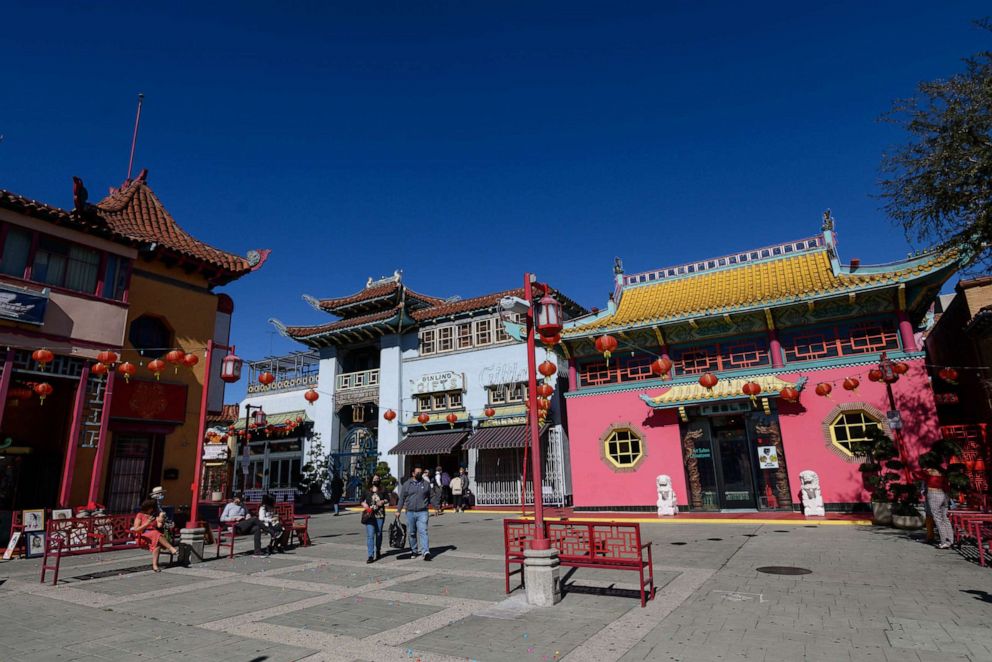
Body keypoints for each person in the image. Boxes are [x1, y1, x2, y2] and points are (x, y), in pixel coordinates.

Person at [396, 465, 432, 561]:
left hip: (422, 512)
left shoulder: (426, 484)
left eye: (421, 472)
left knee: (423, 531)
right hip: (410, 512)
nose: (419, 474)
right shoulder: (407, 484)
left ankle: (426, 552)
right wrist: (398, 510)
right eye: (417, 472)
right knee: (412, 533)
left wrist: (436, 507)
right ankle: (414, 550)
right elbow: (402, 498)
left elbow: (431, 495)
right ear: (413, 474)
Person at [133, 499, 179, 572]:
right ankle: (171, 548)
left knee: (157, 544)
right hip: (142, 536)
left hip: (154, 536)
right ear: (148, 507)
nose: (153, 509)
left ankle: (155, 566)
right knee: (156, 534)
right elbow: (136, 529)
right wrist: (147, 523)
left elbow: (159, 526)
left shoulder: (153, 516)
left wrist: (161, 518)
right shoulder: (140, 515)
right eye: (152, 507)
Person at [915, 465, 953, 549]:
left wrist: (925, 470)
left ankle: (944, 542)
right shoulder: (942, 474)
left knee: (938, 519)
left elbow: (916, 473)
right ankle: (950, 540)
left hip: (934, 495)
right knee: (944, 518)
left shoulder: (928, 474)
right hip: (944, 495)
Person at [361, 479, 387, 563]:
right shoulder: (367, 490)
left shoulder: (383, 489)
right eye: (374, 479)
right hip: (370, 515)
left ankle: (378, 550)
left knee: (378, 533)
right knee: (370, 535)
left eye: (377, 479)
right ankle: (370, 555)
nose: (376, 480)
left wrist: (383, 501)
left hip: (380, 515)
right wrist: (363, 504)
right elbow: (361, 500)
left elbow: (388, 499)